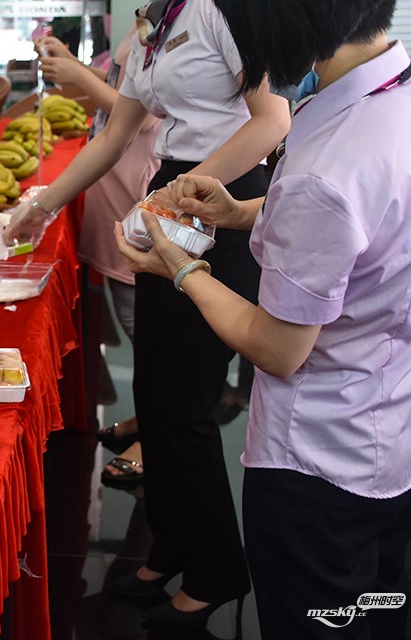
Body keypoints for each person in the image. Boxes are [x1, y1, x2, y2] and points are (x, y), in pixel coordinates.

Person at [117, 0, 411, 636]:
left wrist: (182, 270)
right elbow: (371, 233)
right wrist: (245, 210)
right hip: (390, 430)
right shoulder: (391, 99)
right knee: (377, 612)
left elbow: (278, 349)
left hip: (318, 462)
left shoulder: (325, 172)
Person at [5, 0, 290, 628]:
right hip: (173, 191)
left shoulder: (226, 12)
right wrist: (43, 204)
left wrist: (175, 196)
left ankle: (218, 568)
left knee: (185, 403)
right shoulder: (154, 24)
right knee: (157, 399)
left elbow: (271, 121)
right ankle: (170, 544)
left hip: (222, 196)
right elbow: (114, 134)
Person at [36, 32, 160, 489]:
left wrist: (75, 76)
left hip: (134, 192)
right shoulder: (149, 19)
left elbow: (142, 119)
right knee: (137, 330)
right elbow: (126, 92)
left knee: (148, 336)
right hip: (116, 194)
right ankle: (147, 419)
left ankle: (156, 437)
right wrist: (74, 63)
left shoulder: (178, 22)